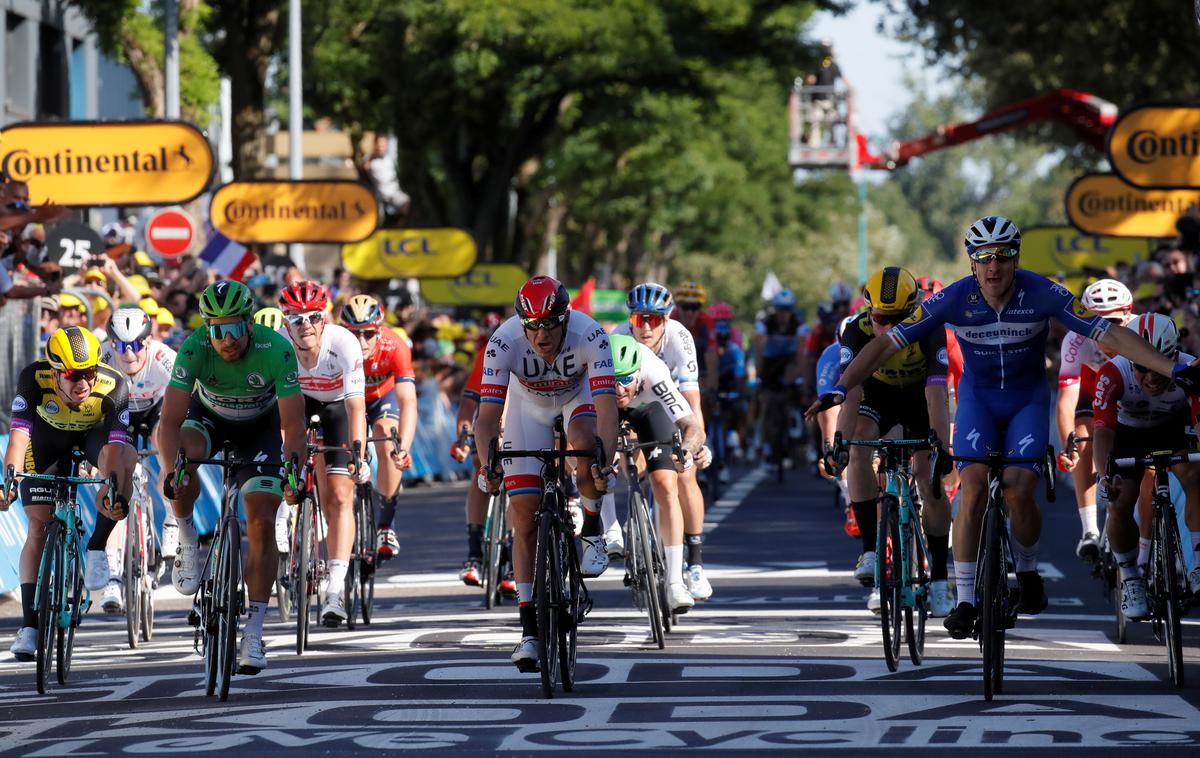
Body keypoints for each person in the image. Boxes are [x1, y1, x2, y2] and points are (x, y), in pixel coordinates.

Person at [809, 215, 1194, 640]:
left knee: (1016, 488)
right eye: (984, 258)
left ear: (1016, 258)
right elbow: (885, 343)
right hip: (979, 401)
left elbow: (1111, 336)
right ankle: (966, 600)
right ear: (972, 263)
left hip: (1026, 401)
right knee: (973, 486)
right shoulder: (954, 298)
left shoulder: (1042, 291)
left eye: (1004, 256)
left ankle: (1027, 572)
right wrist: (841, 389)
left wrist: (1175, 366)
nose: (995, 267)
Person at [158, 280, 305, 674]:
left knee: (260, 519)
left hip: (261, 427)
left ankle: (254, 632)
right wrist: (173, 471)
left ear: (249, 322)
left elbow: (293, 423)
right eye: (217, 330)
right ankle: (187, 537)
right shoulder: (194, 348)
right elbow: (169, 421)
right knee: (183, 461)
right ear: (206, 328)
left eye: (235, 328)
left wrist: (294, 473)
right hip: (209, 419)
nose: (227, 340)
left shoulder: (275, 348)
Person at [473, 276, 618, 672]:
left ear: (565, 318)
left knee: (586, 446)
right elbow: (486, 419)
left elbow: (607, 409)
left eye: (549, 325)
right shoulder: (503, 341)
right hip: (528, 409)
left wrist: (604, 459)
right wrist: (489, 463)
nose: (541, 335)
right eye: (531, 326)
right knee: (523, 514)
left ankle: (591, 528)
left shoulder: (591, 335)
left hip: (578, 400)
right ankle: (529, 630)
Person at [1, 326, 135, 660]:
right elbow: (18, 438)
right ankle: (30, 627)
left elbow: (116, 451)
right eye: (74, 376)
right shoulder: (33, 379)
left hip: (95, 436)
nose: (84, 384)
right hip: (48, 440)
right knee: (37, 527)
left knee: (124, 464)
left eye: (89, 373)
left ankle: (96, 546)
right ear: (55, 372)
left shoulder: (113, 384)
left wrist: (112, 487)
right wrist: (8, 482)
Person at [828, 267, 953, 617]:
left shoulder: (930, 328)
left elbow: (936, 393)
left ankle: (941, 580)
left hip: (919, 397)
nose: (889, 327)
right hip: (878, 395)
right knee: (858, 444)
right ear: (869, 311)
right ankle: (870, 550)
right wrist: (840, 439)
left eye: (900, 317)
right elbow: (850, 389)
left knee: (930, 482)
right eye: (882, 317)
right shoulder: (856, 330)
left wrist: (941, 444)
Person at [1091, 314, 1200, 620]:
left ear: (1174, 357)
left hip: (1173, 429)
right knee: (1120, 502)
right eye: (1142, 368)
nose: (1151, 378)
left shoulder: (1190, 369)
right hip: (1127, 435)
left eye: (1160, 368)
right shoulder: (1113, 372)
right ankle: (1131, 577)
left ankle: (1198, 564)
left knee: (1194, 476)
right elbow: (1102, 432)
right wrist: (1103, 476)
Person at [277, 281, 368, 628]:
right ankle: (286, 510)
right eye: (296, 318)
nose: (306, 325)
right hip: (298, 405)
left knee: (340, 496)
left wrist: (358, 453)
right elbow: (277, 412)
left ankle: (335, 588)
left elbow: (356, 406)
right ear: (286, 322)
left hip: (337, 409)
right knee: (288, 466)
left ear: (325, 317)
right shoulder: (280, 347)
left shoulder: (344, 343)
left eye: (313, 317)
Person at [615, 283, 712, 600]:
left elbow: (691, 401)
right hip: (629, 405)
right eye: (638, 319)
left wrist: (697, 443)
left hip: (668, 405)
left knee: (684, 475)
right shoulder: (617, 336)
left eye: (654, 320)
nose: (645, 327)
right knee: (630, 459)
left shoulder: (680, 338)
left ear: (666, 320)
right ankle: (634, 516)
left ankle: (694, 564)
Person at [93, 306, 179, 613]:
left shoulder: (164, 358)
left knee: (165, 444)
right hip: (121, 414)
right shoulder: (101, 359)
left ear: (147, 341)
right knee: (117, 486)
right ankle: (114, 577)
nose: (127, 353)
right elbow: (91, 409)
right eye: (119, 345)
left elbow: (188, 399)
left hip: (157, 410)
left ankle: (170, 515)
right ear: (110, 343)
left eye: (134, 345)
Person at [1055, 279, 1135, 561]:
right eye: (1097, 322)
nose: (1106, 331)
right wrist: (1069, 444)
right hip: (1091, 385)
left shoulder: (1143, 332)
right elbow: (1067, 400)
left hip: (1128, 389)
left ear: (1128, 315)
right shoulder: (1075, 340)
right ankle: (1089, 529)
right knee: (1082, 435)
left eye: (1113, 321)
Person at [338, 295, 417, 559]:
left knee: (386, 437)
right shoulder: (334, 347)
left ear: (379, 330)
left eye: (369, 334)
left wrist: (403, 447)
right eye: (354, 334)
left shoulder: (395, 346)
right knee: (346, 450)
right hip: (350, 398)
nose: (361, 342)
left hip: (383, 397)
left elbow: (408, 401)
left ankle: (386, 525)